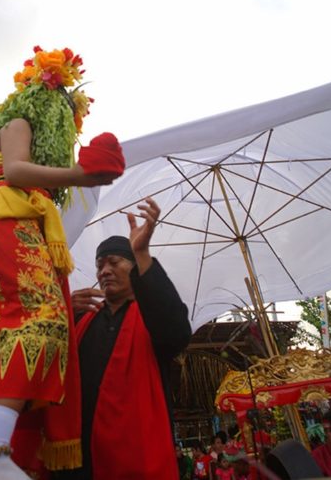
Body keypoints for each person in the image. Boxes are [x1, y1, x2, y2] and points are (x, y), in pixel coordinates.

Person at [0, 45, 123, 480]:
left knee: (38, 329)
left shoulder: (33, 168)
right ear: (43, 101)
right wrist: (82, 176)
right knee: (37, 324)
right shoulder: (17, 122)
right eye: (63, 111)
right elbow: (17, 171)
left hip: (21, 225)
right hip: (8, 222)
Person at [61, 197, 192, 479]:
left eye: (114, 262)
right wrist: (65, 314)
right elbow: (57, 368)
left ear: (134, 267)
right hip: (82, 461)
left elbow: (178, 332)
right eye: (99, 265)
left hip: (138, 458)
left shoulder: (152, 318)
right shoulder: (84, 319)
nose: (104, 270)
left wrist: (142, 252)